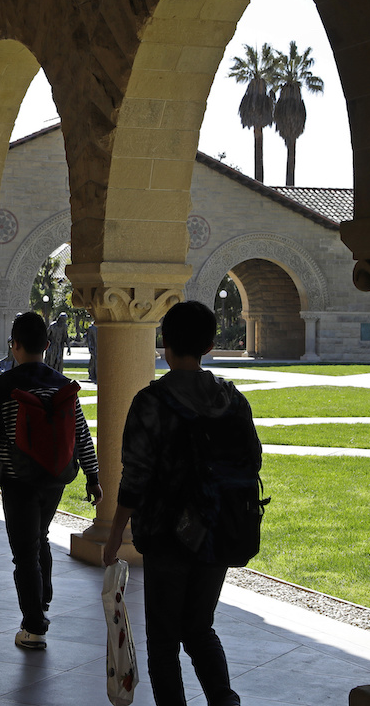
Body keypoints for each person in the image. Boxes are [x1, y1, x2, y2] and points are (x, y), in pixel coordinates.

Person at [102, 300, 260, 706]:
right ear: (209, 345)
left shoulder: (150, 402)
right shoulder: (233, 400)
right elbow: (253, 461)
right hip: (220, 529)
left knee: (163, 641)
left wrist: (115, 532)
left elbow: (136, 476)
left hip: (167, 534)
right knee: (199, 627)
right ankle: (225, 701)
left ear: (164, 342)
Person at [0, 312, 102, 650]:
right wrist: (93, 477)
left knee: (24, 553)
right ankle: (43, 597)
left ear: (15, 345)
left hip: (18, 479)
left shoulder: (2, 387)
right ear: (47, 345)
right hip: (55, 478)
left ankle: (34, 627)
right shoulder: (63, 386)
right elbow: (82, 435)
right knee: (40, 536)